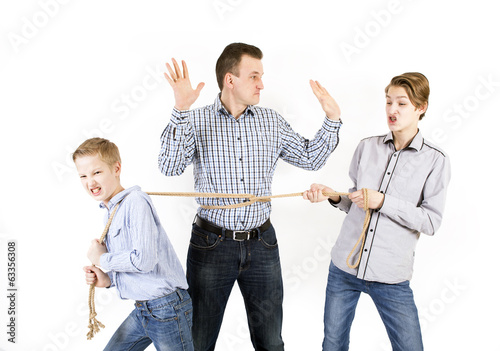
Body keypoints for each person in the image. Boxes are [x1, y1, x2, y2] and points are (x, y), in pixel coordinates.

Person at [158, 42, 342, 351]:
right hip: (211, 245)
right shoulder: (195, 120)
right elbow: (169, 167)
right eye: (254, 76)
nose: (261, 84)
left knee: (271, 341)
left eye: (262, 76)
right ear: (230, 79)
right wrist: (180, 110)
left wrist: (332, 119)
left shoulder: (271, 121)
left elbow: (310, 158)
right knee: (198, 341)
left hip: (262, 245)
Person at [303, 72, 451, 351]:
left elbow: (431, 222)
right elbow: (356, 204)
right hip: (343, 269)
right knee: (332, 344)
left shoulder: (436, 161)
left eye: (402, 103)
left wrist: (383, 201)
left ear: (421, 108)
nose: (392, 110)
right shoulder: (366, 147)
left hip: (391, 277)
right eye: (388, 102)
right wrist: (334, 196)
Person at [74, 137, 193, 351]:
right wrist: (108, 280)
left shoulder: (135, 202)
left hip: (166, 308)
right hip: (144, 308)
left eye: (97, 172)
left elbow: (144, 261)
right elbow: (138, 271)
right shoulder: (112, 210)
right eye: (83, 175)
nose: (90, 182)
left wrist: (102, 258)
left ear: (116, 168)